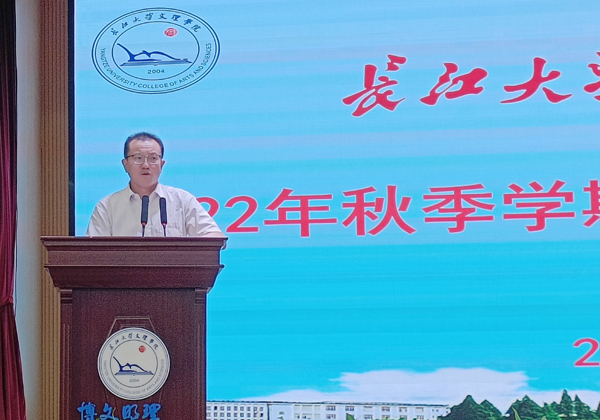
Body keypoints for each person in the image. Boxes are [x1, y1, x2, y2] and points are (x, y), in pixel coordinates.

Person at [86, 132, 224, 237]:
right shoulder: (107, 207)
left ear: (161, 165)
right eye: (138, 158)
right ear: (125, 164)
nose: (146, 165)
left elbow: (214, 236)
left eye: (153, 158)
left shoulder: (182, 200)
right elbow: (94, 251)